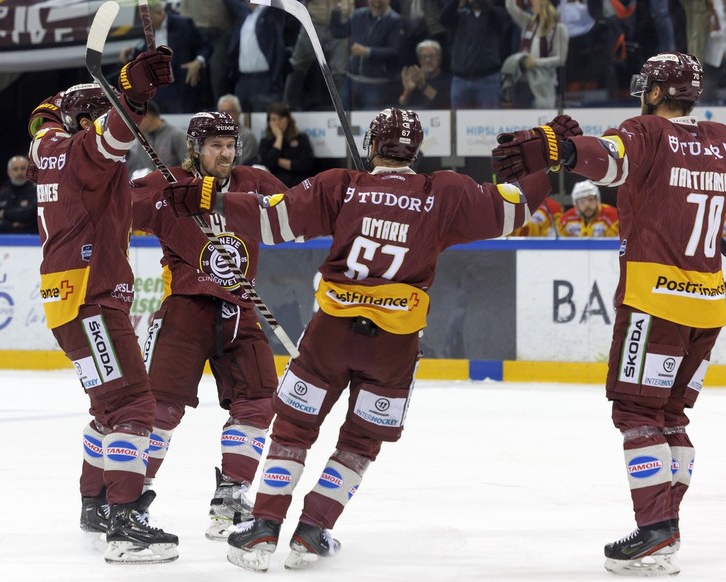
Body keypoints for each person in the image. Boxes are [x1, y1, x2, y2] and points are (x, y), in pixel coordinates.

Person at [162, 107, 578, 572]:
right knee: (359, 443)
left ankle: (263, 527)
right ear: (415, 151)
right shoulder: (443, 190)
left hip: (331, 334)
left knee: (293, 431)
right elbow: (511, 211)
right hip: (394, 344)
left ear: (372, 146)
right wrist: (549, 164)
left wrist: (208, 198)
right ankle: (314, 528)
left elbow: (270, 222)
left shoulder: (342, 185)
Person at [491, 52, 726, 575]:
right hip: (706, 308)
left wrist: (560, 148)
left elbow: (607, 157)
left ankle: (657, 532)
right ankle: (666, 525)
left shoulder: (647, 132)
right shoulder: (724, 139)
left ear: (656, 93)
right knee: (671, 416)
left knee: (637, 414)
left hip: (653, 305)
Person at [26, 44, 178, 564]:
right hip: (94, 300)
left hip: (65, 304)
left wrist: (109, 93)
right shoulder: (83, 154)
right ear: (84, 120)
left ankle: (95, 503)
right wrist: (131, 96)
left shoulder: (46, 144)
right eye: (96, 114)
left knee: (108, 406)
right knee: (135, 406)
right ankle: (125, 521)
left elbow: (44, 114)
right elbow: (112, 136)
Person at [130, 111, 288, 540]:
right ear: (194, 149)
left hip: (241, 311)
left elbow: (297, 215)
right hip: (186, 309)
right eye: (215, 146)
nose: (225, 153)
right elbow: (118, 208)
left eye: (230, 145)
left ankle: (231, 496)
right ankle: (130, 500)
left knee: (258, 401)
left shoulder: (254, 182)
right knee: (159, 409)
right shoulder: (166, 183)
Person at [120, 0, 211, 113]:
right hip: (157, 88)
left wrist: (198, 62)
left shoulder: (183, 25)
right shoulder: (149, 30)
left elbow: (205, 47)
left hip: (181, 85)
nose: (144, 23)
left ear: (159, 13)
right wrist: (131, 52)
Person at [330, 0, 404, 110]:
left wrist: (368, 51)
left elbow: (395, 52)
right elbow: (338, 33)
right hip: (351, 80)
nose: (377, 2)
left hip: (376, 83)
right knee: (344, 119)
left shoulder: (395, 20)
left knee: (372, 123)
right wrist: (336, 9)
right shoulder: (358, 15)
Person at [283, 0, 352, 112]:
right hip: (314, 21)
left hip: (341, 19)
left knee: (340, 70)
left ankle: (343, 111)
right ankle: (287, 106)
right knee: (297, 65)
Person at [439, 0, 510, 109]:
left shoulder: (495, 14)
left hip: (487, 79)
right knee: (458, 122)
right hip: (460, 78)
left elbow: (500, 18)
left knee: (489, 122)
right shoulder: (461, 15)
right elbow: (443, 19)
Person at [501, 0, 568, 109]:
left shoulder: (559, 28)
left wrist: (535, 63)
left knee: (542, 120)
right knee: (521, 120)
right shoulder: (529, 22)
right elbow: (510, 7)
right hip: (522, 80)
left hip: (543, 83)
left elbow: (561, 59)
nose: (530, 3)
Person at [225, 1, 287, 113]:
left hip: (264, 80)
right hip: (243, 80)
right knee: (240, 122)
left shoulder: (270, 12)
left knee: (265, 119)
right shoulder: (245, 15)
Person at [259, 102, 315, 188]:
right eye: (273, 119)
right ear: (269, 122)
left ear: (288, 119)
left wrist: (277, 161)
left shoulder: (301, 138)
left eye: (280, 118)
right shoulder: (266, 141)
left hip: (298, 186)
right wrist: (279, 138)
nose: (277, 123)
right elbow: (266, 165)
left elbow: (306, 165)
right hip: (273, 188)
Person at [125, 100, 187, 178]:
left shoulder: (177, 135)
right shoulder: (142, 138)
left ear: (146, 116)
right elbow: (140, 167)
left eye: (135, 120)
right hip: (149, 188)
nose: (134, 124)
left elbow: (189, 168)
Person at [0, 155, 37, 234]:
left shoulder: (36, 192)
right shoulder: (1, 195)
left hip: (32, 238)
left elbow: (31, 214)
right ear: (8, 172)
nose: (19, 172)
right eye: (15, 169)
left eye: (23, 168)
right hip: (5, 238)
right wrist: (11, 225)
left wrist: (4, 213)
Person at [398, 39, 451, 109]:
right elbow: (400, 105)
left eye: (431, 56)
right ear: (419, 60)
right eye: (424, 56)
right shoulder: (412, 78)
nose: (428, 60)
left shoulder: (448, 80)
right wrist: (408, 91)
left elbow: (442, 101)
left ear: (439, 59)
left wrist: (422, 85)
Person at [217, 93, 260, 166]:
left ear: (238, 113)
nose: (224, 116)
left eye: (228, 112)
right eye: (221, 112)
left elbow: (245, 168)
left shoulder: (247, 136)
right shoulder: (212, 136)